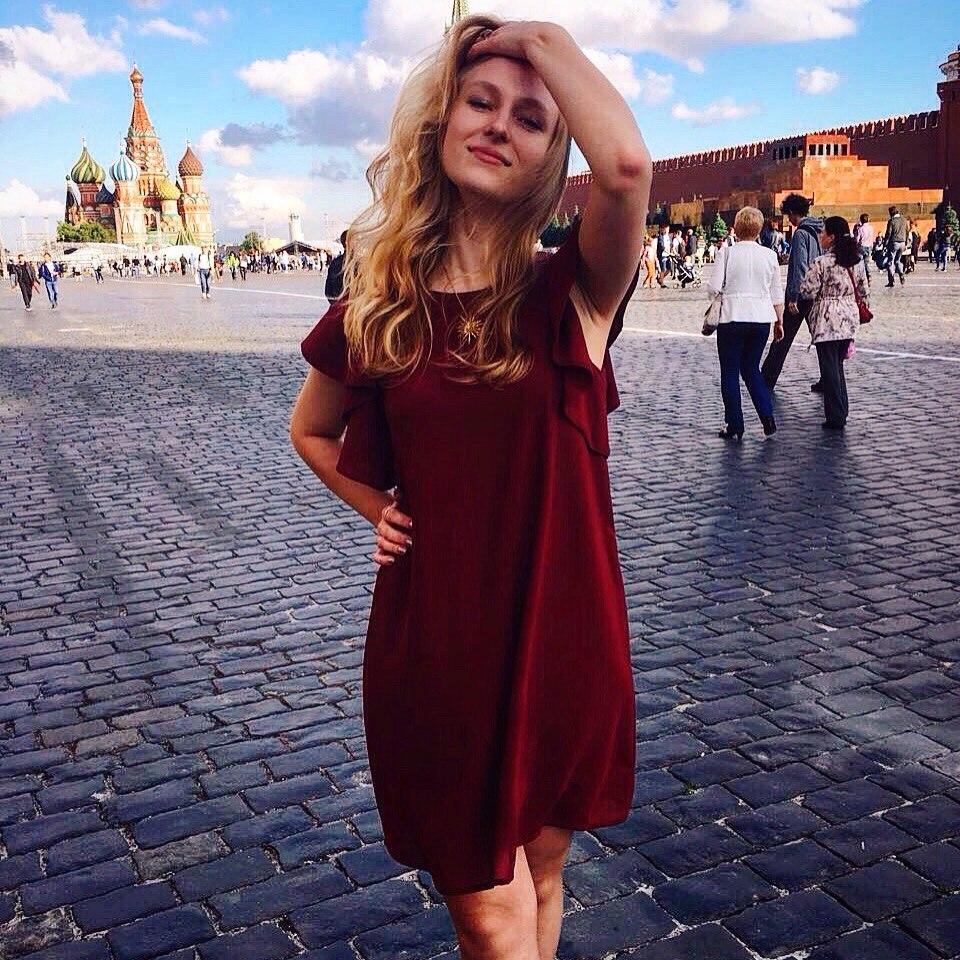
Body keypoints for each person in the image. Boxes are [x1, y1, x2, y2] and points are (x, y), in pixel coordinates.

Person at [289, 16, 649, 958]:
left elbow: (625, 169)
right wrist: (378, 507)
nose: (497, 125)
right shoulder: (379, 305)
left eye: (530, 118)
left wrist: (538, 36)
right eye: (477, 101)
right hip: (438, 645)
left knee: (545, 875)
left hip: (564, 630)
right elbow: (311, 431)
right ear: (440, 122)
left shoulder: (575, 292)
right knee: (491, 914)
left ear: (551, 155)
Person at [707, 206, 782, 440]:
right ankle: (767, 417)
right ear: (759, 229)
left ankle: (735, 424)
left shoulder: (726, 253)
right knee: (751, 368)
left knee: (730, 371)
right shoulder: (769, 255)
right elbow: (776, 293)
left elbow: (714, 288)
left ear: (737, 228)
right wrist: (779, 322)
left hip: (733, 317)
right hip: (761, 319)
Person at [799, 216, 867, 430]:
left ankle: (836, 415)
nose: (820, 236)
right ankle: (841, 409)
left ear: (832, 237)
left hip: (827, 319)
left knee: (829, 369)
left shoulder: (822, 262)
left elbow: (807, 290)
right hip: (849, 318)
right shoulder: (856, 261)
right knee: (837, 366)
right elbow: (864, 290)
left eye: (823, 232)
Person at [760, 193, 823, 391]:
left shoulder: (801, 233)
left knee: (782, 337)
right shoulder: (819, 230)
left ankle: (766, 379)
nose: (789, 219)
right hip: (816, 292)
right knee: (822, 339)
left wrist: (794, 296)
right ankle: (829, 378)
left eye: (788, 215)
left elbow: (799, 266)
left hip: (801, 295)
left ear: (794, 212)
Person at [883, 205, 908, 286]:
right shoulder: (904, 220)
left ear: (891, 213)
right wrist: (906, 242)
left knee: (890, 262)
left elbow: (888, 233)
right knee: (898, 260)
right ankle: (901, 274)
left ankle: (891, 281)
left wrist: (885, 243)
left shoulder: (892, 221)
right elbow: (907, 231)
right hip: (903, 242)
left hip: (894, 242)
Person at [324, 231, 348, 300]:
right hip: (356, 305)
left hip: (339, 303)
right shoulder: (360, 263)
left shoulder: (335, 262)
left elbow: (328, 292)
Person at [852, 213, 875, 284]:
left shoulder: (860, 229)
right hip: (869, 247)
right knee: (866, 263)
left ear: (861, 220)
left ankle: (861, 278)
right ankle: (868, 275)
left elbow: (857, 239)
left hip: (862, 246)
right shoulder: (871, 228)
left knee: (860, 263)